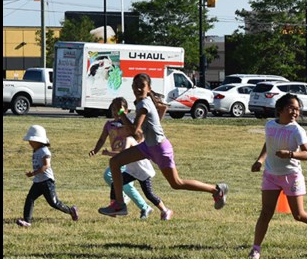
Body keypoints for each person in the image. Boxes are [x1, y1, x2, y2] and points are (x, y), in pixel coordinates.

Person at [98, 72, 228, 217]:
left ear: (148, 88)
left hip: (160, 149)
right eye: (135, 86)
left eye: (142, 86)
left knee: (176, 183)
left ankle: (216, 190)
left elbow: (134, 131)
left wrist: (121, 113)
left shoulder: (144, 104)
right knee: (114, 162)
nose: (138, 89)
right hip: (148, 147)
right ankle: (119, 205)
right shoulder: (143, 103)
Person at [249, 93, 307, 259]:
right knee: (266, 213)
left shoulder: (297, 130)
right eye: (292, 108)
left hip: (291, 176)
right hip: (271, 175)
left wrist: (290, 154)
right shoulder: (269, 125)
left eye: (297, 109)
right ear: (280, 109)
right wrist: (260, 160)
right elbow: (269, 143)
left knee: (299, 215)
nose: (295, 112)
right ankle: (255, 249)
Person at [89, 97, 172, 220]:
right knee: (115, 183)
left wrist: (108, 153)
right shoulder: (111, 125)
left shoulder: (130, 137)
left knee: (149, 194)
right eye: (113, 109)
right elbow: (103, 139)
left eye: (118, 110)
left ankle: (165, 210)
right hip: (131, 170)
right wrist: (96, 150)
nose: (115, 112)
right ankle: (115, 207)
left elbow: (123, 153)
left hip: (142, 170)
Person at [16, 124, 79, 227]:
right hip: (38, 181)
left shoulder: (45, 151)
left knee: (54, 203)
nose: (29, 143)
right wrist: (34, 175)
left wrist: (33, 173)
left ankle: (71, 211)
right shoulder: (36, 150)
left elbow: (46, 165)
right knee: (30, 198)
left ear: (39, 141)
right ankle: (27, 221)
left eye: (32, 141)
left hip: (46, 181)